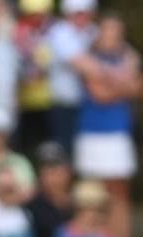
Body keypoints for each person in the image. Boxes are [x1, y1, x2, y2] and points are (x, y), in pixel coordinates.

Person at [74, 12, 141, 237]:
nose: (112, 35)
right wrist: (122, 82)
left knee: (119, 191)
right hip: (93, 131)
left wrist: (110, 80)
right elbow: (99, 93)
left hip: (118, 131)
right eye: (108, 29)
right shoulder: (88, 57)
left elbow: (137, 86)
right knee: (93, 191)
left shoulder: (128, 55)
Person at [44, 0, 98, 154]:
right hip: (63, 104)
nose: (82, 18)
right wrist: (118, 75)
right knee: (65, 151)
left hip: (87, 104)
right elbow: (83, 65)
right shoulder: (60, 33)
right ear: (67, 14)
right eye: (77, 14)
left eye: (85, 13)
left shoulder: (93, 31)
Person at [13, 0, 56, 159]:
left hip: (49, 101)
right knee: (25, 150)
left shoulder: (53, 30)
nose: (37, 18)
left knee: (49, 152)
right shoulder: (17, 32)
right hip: (24, 102)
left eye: (40, 14)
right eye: (33, 14)